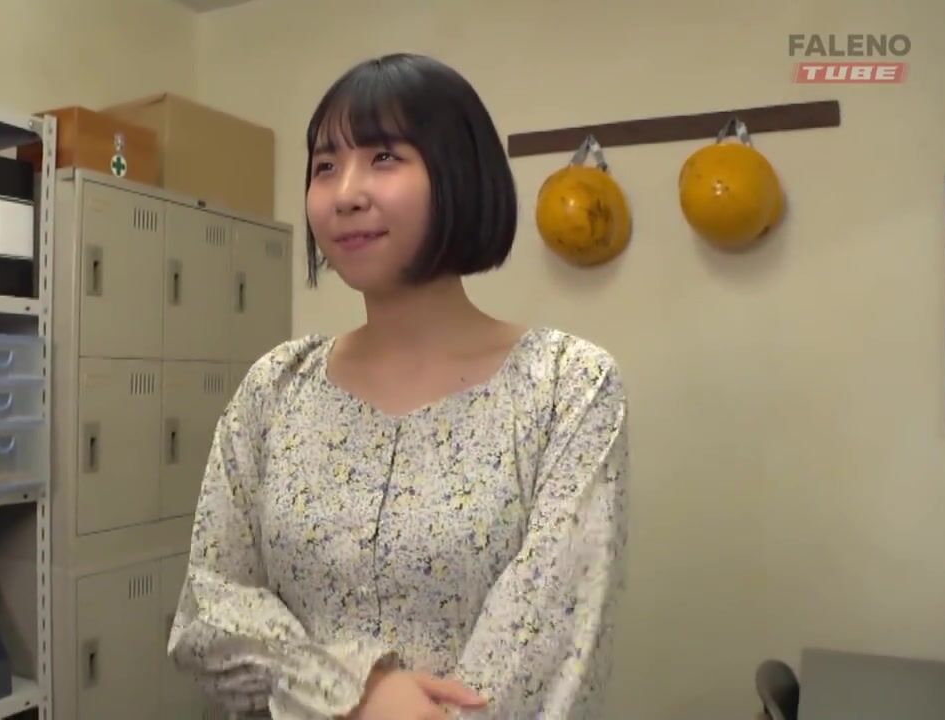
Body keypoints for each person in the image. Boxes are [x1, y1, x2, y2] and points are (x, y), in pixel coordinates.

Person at [168, 52, 630, 720]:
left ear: (459, 174)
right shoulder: (276, 387)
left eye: (384, 157)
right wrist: (353, 692)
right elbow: (208, 611)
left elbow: (552, 648)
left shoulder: (566, 386)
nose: (345, 193)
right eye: (325, 166)